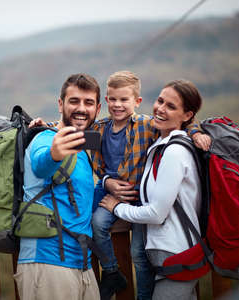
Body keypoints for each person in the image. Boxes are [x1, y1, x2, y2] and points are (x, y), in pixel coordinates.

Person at [90, 71, 210, 300]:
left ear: (136, 102)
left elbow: (184, 124)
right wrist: (41, 124)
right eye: (112, 99)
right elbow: (72, 126)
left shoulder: (148, 126)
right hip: (112, 192)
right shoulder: (100, 128)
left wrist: (196, 133)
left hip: (142, 204)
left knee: (137, 253)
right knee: (94, 223)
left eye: (124, 100)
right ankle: (111, 271)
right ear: (106, 100)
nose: (117, 105)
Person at [14, 73, 102, 300]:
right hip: (47, 262)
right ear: (61, 104)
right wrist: (54, 154)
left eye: (88, 102)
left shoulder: (81, 149)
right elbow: (42, 165)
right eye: (74, 101)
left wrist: (110, 189)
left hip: (82, 263)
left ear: (98, 109)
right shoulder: (44, 138)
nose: (81, 108)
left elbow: (82, 200)